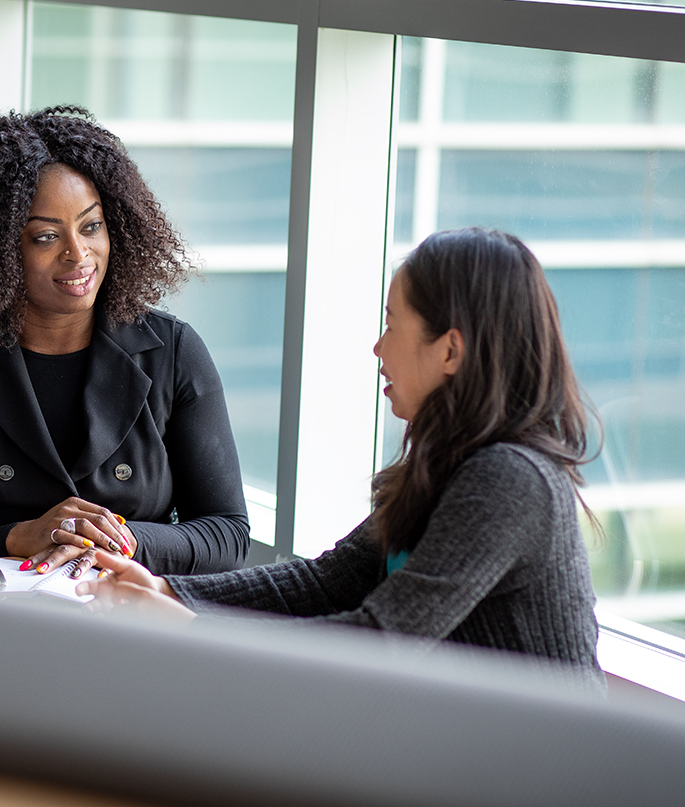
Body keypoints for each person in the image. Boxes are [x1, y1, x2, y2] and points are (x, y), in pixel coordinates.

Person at [81, 227, 605, 684]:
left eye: (393, 326)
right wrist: (172, 592)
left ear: (450, 351)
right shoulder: (450, 463)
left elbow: (382, 639)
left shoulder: (509, 480)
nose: (379, 348)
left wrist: (191, 626)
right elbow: (327, 581)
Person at [0, 106, 250, 578]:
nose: (78, 254)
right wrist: (16, 538)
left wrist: (122, 540)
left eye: (91, 226)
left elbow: (228, 534)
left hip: (127, 623)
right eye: (46, 236)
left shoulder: (172, 351)